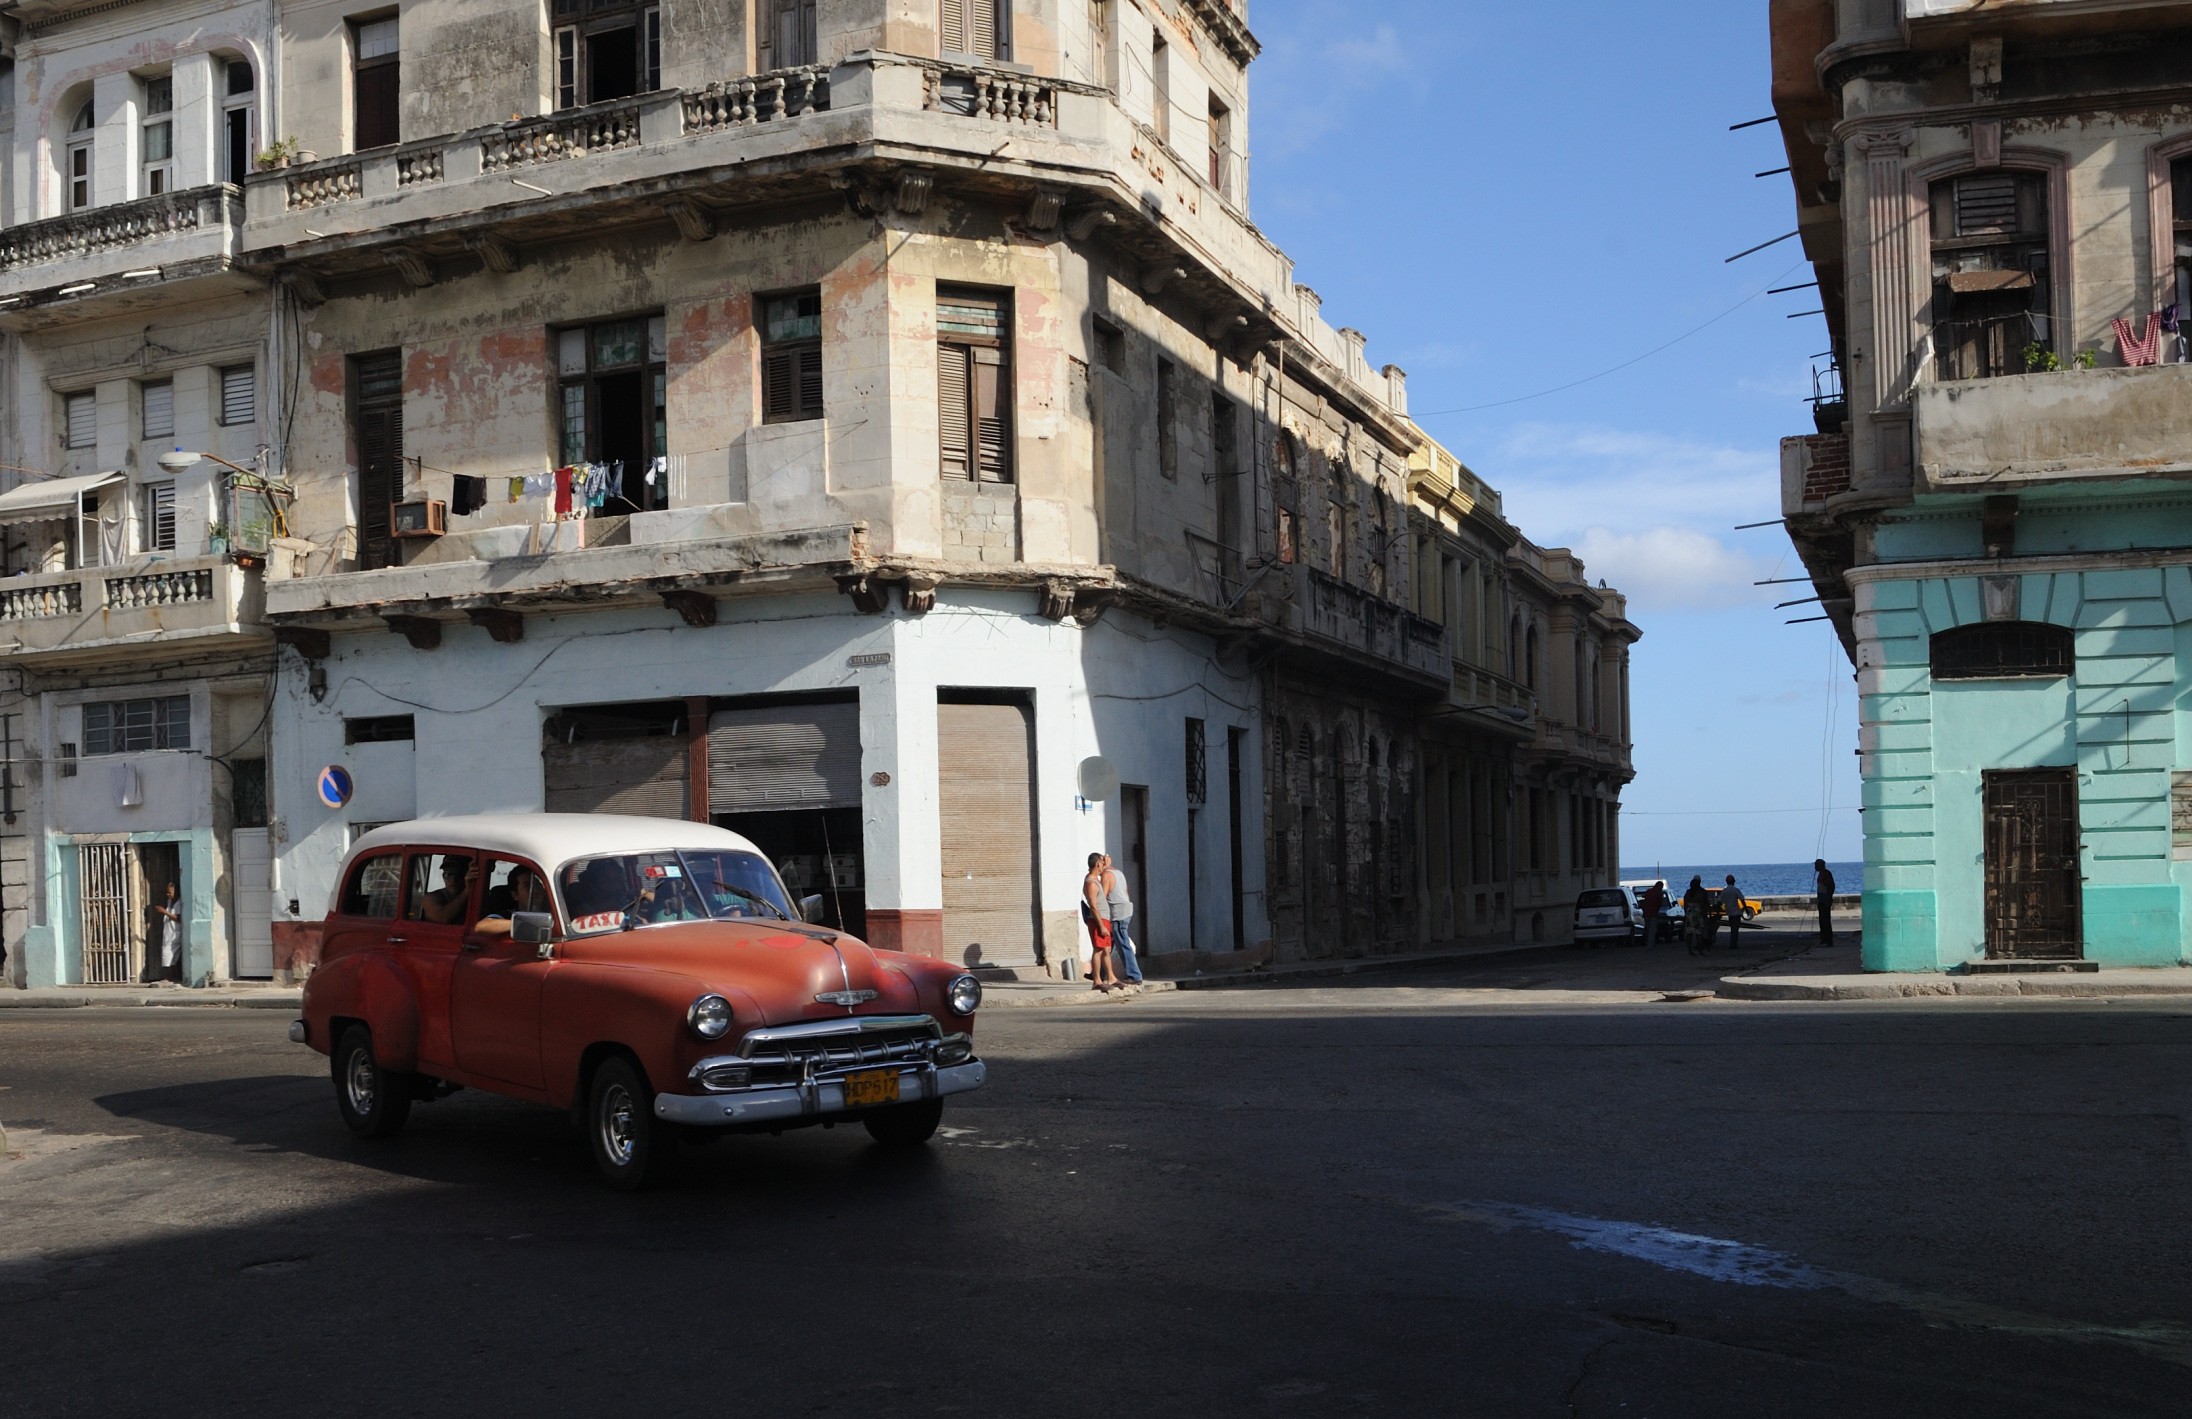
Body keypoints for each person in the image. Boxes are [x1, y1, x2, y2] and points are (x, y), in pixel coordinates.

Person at [1080, 852, 1121, 991]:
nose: (1104, 866)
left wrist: (1106, 862)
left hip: (1104, 919)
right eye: (1102, 863)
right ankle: (1097, 980)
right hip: (1098, 920)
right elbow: (1093, 906)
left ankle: (1111, 977)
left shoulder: (1095, 878)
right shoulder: (1091, 883)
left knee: (1106, 949)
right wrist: (1101, 926)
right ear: (1097, 864)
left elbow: (1103, 866)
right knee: (1098, 949)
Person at [1099, 853, 1141, 985]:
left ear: (1102, 864)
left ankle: (1134, 975)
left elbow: (1103, 897)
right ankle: (1100, 973)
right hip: (1126, 909)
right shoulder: (1118, 873)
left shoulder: (1106, 875)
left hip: (1117, 912)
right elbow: (1125, 890)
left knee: (1123, 943)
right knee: (1108, 944)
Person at [418, 856, 474, 925]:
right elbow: (443, 918)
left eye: (460, 875)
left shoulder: (476, 897)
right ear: (443, 876)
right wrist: (467, 891)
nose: (453, 880)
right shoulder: (431, 898)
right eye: (449, 874)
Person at [153, 882, 182, 982]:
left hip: (175, 933)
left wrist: (164, 912)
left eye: (170, 893)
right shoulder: (170, 902)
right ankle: (169, 976)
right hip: (169, 932)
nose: (168, 895)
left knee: (169, 954)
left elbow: (178, 918)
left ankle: (168, 977)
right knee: (168, 954)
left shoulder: (179, 903)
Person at [1682, 875, 1712, 955]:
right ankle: (1700, 950)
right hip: (1698, 914)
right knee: (1699, 933)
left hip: (1689, 914)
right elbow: (1703, 904)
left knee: (1689, 933)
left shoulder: (1688, 893)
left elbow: (1685, 904)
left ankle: (1690, 950)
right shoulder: (1701, 893)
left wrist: (1686, 913)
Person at [1814, 859, 1837, 945]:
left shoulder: (1826, 873)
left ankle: (1828, 939)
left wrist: (1829, 898)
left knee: (1826, 920)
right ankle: (1823, 938)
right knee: (1822, 920)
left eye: (1816, 865)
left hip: (1825, 900)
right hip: (1821, 899)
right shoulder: (1821, 873)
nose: (1815, 867)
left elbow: (1831, 886)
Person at [1721, 874, 1745, 950]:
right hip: (1737, 912)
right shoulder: (1736, 890)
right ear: (1734, 881)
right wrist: (1746, 909)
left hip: (1730, 913)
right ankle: (1733, 945)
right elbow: (1742, 899)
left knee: (1732, 929)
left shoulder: (1724, 891)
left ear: (1726, 882)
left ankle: (1732, 944)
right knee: (1735, 930)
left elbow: (1719, 901)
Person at [1642, 880, 1668, 945]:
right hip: (1653, 914)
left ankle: (1649, 942)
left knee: (1648, 928)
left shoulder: (1648, 891)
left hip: (1646, 913)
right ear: (1659, 887)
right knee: (1652, 930)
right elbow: (1661, 904)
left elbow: (1644, 902)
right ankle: (1650, 943)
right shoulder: (1658, 893)